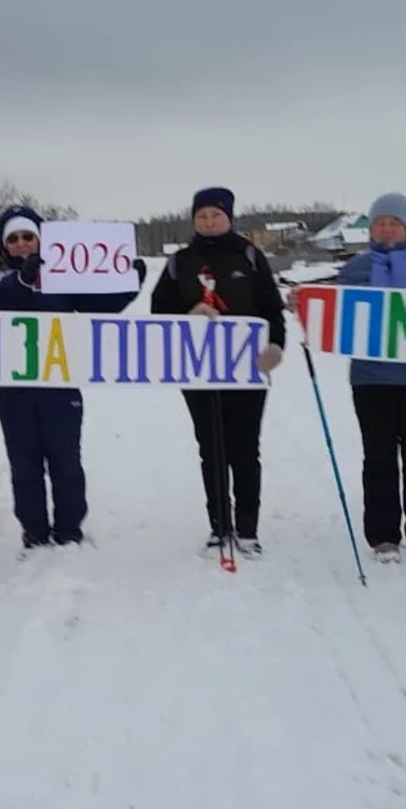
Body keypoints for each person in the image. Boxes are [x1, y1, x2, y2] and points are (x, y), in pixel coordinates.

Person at [0, 205, 147, 549]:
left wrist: (129, 283)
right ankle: (34, 532)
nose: (22, 244)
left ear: (42, 240)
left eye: (29, 236)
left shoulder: (64, 277)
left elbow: (99, 306)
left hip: (60, 387)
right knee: (24, 466)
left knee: (66, 463)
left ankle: (69, 530)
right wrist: (22, 281)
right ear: (4, 246)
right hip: (15, 391)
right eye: (14, 238)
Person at [149, 186, 286, 556]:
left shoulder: (250, 256)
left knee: (245, 449)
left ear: (229, 217)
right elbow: (158, 311)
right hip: (197, 369)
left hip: (246, 369)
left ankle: (247, 529)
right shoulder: (180, 261)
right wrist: (188, 315)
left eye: (216, 215)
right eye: (202, 216)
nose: (209, 222)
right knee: (212, 449)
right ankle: (219, 526)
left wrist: (275, 346)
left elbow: (272, 308)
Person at [332, 192, 406, 562]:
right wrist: (306, 306)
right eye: (380, 223)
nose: (386, 228)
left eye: (394, 222)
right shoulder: (356, 268)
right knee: (378, 457)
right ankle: (383, 535)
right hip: (371, 379)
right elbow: (335, 311)